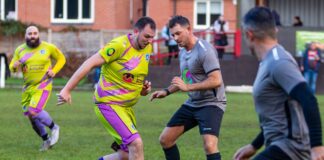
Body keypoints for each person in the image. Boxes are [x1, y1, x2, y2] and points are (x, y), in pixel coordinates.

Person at [57, 17, 156, 160]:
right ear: (135, 31)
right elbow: (89, 63)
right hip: (109, 103)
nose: (150, 41)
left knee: (126, 154)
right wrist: (67, 89)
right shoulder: (119, 45)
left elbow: (131, 75)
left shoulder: (147, 47)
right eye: (147, 36)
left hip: (126, 108)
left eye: (152, 37)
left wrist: (143, 90)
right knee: (136, 144)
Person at [233, 7, 324, 160]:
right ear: (274, 30)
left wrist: (317, 146)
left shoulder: (279, 62)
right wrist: (254, 145)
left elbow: (308, 99)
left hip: (292, 148)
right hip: (279, 147)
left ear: (249, 34)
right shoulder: (268, 61)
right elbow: (275, 118)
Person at [150, 15, 226, 160]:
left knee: (210, 146)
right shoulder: (183, 51)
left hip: (211, 103)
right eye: (173, 35)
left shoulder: (205, 50)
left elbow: (216, 80)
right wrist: (166, 91)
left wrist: (188, 87)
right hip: (192, 104)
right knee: (165, 140)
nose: (175, 38)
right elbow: (185, 78)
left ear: (189, 29)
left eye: (178, 33)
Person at [9, 26, 66, 151]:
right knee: (31, 117)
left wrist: (54, 71)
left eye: (35, 33)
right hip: (27, 87)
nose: (32, 36)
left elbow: (62, 59)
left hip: (43, 84)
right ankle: (46, 140)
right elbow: (12, 67)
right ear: (26, 36)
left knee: (34, 111)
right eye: (30, 34)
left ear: (38, 35)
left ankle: (54, 127)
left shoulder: (48, 47)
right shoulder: (20, 50)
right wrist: (14, 66)